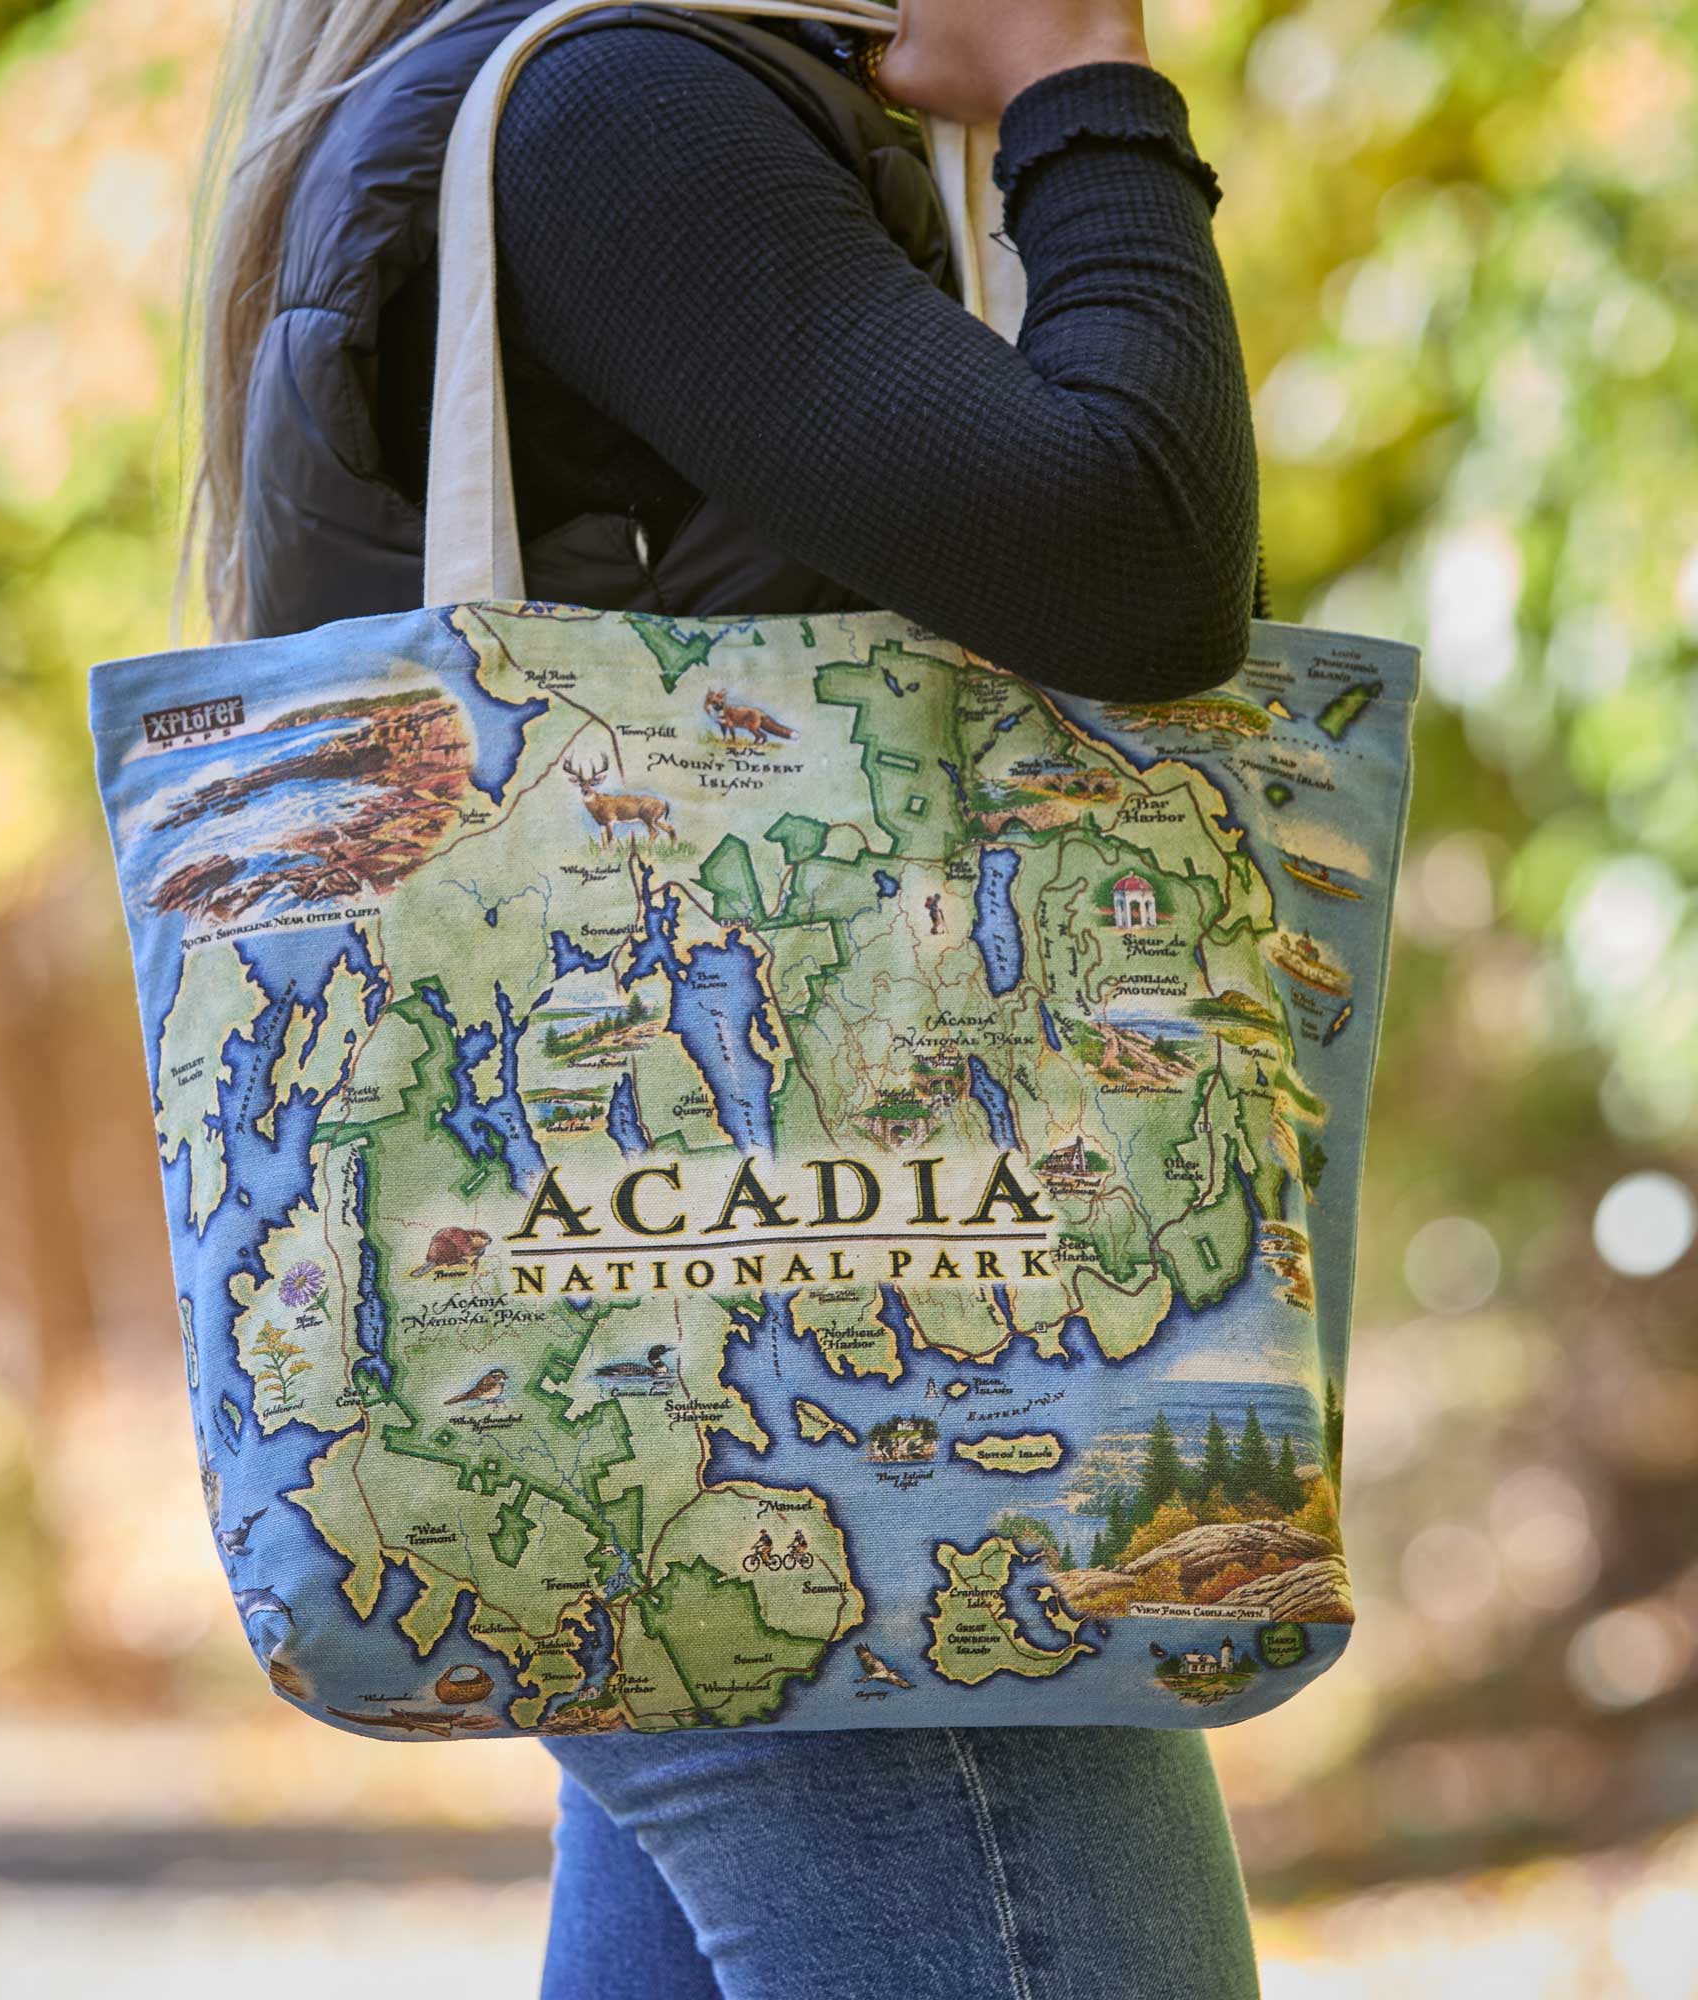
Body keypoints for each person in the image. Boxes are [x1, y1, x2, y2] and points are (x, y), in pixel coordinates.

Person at [189, 1, 1263, 1992]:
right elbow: (1137, 559)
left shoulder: (630, 95)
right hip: (840, 1417)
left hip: (705, 1397)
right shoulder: (620, 111)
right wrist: (1082, 93)